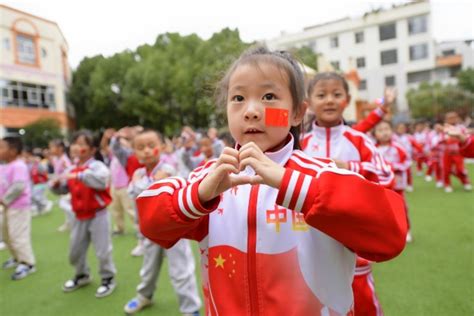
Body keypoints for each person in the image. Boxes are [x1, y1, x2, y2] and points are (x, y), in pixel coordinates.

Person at [136, 47, 407, 315]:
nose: (251, 111)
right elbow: (152, 222)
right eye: (238, 97)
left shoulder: (320, 175)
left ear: (297, 113)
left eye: (268, 96)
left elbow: (390, 234)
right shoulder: (211, 180)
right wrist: (198, 196)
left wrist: (294, 185)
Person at [302, 71, 395, 316]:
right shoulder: (300, 143)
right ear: (309, 102)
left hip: (354, 242)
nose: (329, 100)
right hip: (309, 241)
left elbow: (386, 177)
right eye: (321, 95)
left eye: (336, 94)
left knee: (362, 300)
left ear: (348, 99)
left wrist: (350, 169)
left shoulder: (359, 140)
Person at [124, 129, 201, 315]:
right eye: (141, 147)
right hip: (150, 231)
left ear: (162, 147)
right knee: (149, 267)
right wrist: (141, 184)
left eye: (152, 146)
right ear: (134, 152)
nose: (147, 151)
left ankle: (190, 309)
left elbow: (146, 189)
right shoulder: (139, 172)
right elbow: (133, 192)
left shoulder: (168, 169)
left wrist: (139, 184)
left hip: (174, 229)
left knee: (181, 271)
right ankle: (145, 296)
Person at [51, 130, 117, 298]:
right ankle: (82, 275)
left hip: (98, 214)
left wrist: (78, 174)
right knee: (75, 250)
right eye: (74, 143)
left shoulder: (97, 166)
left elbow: (101, 181)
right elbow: (64, 189)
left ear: (92, 149)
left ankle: (108, 278)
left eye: (81, 144)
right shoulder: (72, 168)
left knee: (103, 251)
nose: (76, 147)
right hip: (79, 215)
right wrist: (57, 185)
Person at [0, 136, 36, 280]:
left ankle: (27, 263)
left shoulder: (18, 165)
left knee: (18, 235)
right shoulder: (3, 166)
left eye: (2, 147)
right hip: (6, 206)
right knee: (7, 235)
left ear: (13, 151)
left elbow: (19, 186)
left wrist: (4, 199)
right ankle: (16, 258)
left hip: (18, 206)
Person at [374, 121, 413, 242]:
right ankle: (383, 232)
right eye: (380, 130)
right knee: (381, 210)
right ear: (375, 134)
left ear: (391, 131)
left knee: (401, 208)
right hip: (380, 186)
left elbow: (407, 162)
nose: (384, 132)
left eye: (387, 129)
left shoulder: (398, 147)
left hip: (397, 184)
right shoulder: (373, 149)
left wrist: (393, 166)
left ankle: (406, 231)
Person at [438, 112, 471, 192]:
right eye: (450, 118)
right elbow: (441, 140)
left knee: (460, 170)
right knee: (446, 170)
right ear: (446, 119)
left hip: (458, 153)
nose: (452, 119)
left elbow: (466, 138)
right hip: (447, 153)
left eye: (454, 117)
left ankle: (465, 182)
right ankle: (447, 185)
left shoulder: (461, 128)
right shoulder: (444, 128)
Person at [49, 139, 73, 232]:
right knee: (64, 205)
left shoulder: (64, 159)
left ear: (60, 148)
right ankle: (69, 222)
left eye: (52, 147)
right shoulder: (56, 159)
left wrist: (59, 179)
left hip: (67, 186)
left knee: (64, 204)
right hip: (61, 186)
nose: (50, 149)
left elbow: (69, 171)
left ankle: (74, 221)